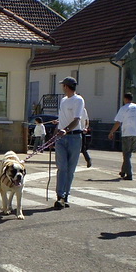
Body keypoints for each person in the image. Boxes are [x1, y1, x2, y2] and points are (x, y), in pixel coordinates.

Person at [53, 76, 85, 209]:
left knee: (70, 169)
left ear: (66, 86)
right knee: (62, 167)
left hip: (74, 137)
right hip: (61, 137)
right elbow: (62, 118)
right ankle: (60, 196)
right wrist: (57, 130)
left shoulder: (78, 100)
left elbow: (77, 120)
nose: (62, 88)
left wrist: (65, 130)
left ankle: (65, 196)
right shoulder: (63, 100)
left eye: (63, 86)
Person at [108, 93, 136, 180]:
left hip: (127, 133)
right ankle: (123, 171)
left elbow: (118, 122)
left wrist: (111, 132)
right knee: (128, 154)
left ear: (125, 99)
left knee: (126, 154)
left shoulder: (124, 108)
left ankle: (129, 174)